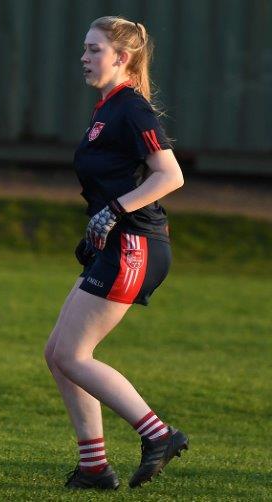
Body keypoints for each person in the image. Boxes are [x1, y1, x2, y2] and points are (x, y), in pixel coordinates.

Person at [44, 16, 188, 490]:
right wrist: (100, 223)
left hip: (135, 244)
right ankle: (93, 467)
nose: (83, 58)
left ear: (121, 58)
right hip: (117, 243)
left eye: (93, 49)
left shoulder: (131, 109)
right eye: (84, 49)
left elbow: (170, 175)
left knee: (73, 353)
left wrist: (112, 212)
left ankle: (159, 435)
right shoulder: (109, 107)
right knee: (59, 354)